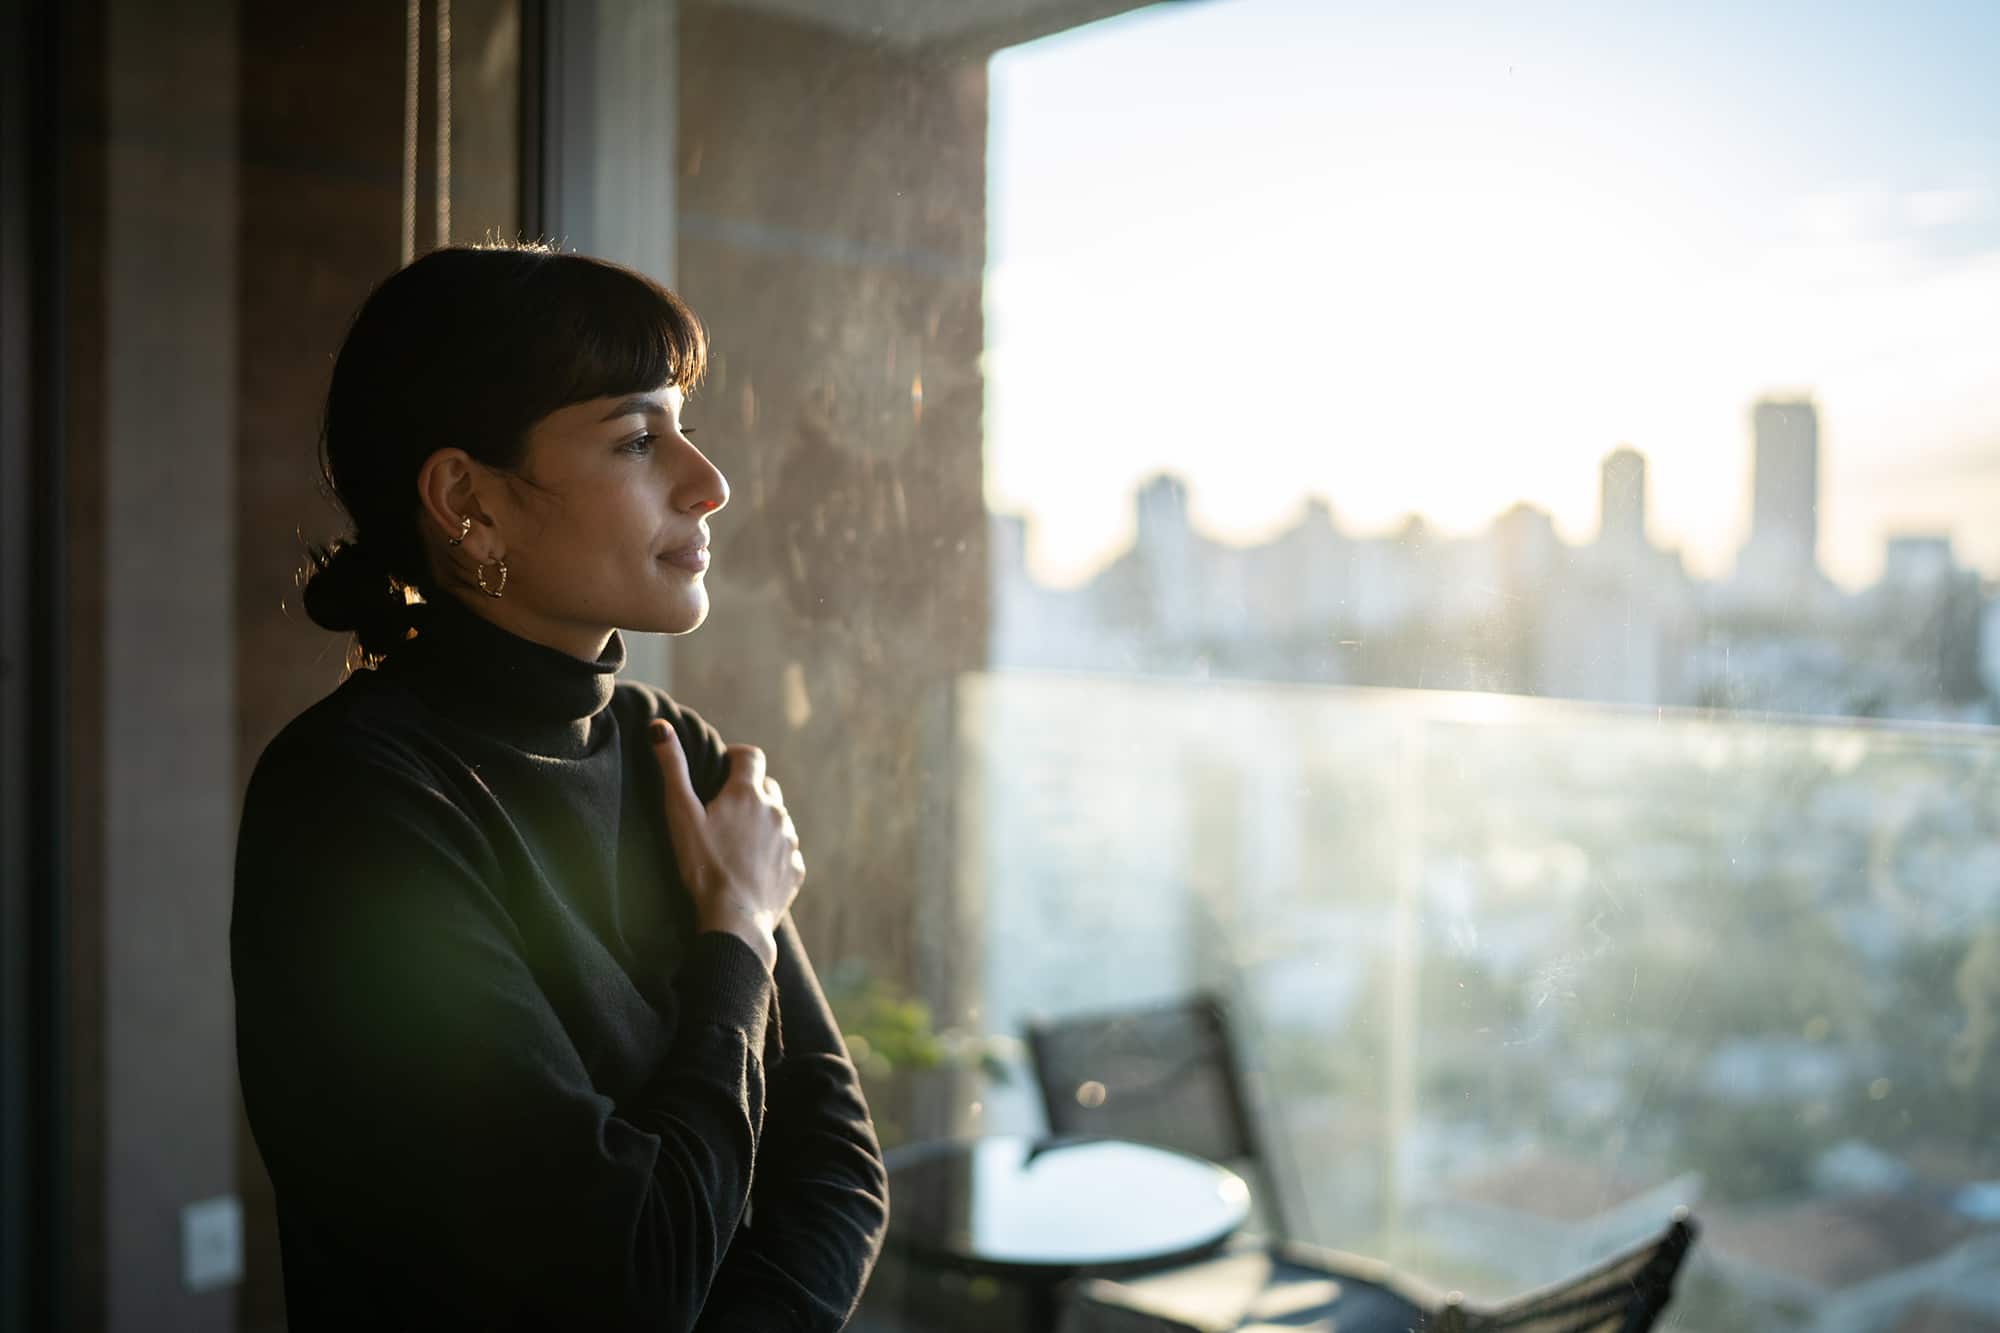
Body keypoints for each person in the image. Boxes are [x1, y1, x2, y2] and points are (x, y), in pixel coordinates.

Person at [230, 243, 889, 1331]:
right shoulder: (353, 804)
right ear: (467, 501)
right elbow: (620, 1282)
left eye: (682, 421)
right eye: (638, 437)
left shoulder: (677, 748)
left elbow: (836, 1169)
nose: (707, 479)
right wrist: (736, 930)